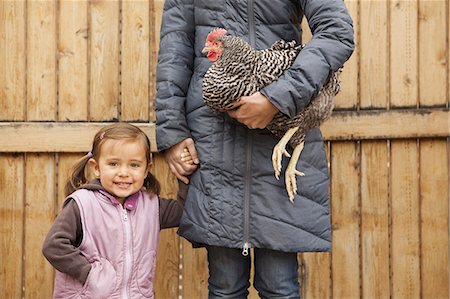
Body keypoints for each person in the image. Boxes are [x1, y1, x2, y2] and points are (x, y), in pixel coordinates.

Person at [156, 1, 354, 298]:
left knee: (279, 286)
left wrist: (277, 98)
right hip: (214, 138)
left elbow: (337, 31)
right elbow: (176, 48)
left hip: (282, 135)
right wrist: (171, 131)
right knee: (224, 287)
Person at [42, 123, 188, 299]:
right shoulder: (82, 204)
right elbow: (54, 245)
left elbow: (184, 211)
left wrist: (184, 172)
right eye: (113, 164)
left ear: (146, 170)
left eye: (134, 165)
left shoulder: (152, 207)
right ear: (96, 167)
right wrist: (89, 273)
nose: (124, 173)